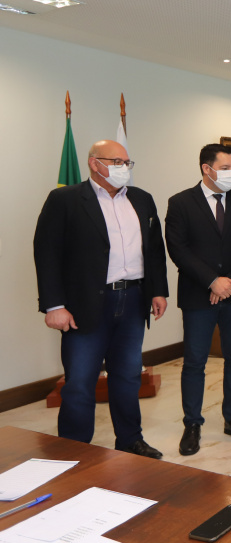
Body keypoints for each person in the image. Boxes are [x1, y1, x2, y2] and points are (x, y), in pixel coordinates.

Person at [34, 139, 168, 459]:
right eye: (117, 162)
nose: (124, 168)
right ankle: (75, 449)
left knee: (127, 376)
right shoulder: (65, 199)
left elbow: (154, 250)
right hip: (85, 305)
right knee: (80, 382)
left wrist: (157, 290)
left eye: (127, 163)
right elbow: (47, 253)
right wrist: (54, 305)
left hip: (134, 300)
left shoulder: (141, 199)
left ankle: (130, 440)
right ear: (95, 164)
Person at [165, 143, 231, 456]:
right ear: (206, 169)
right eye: (225, 168)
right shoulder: (180, 202)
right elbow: (178, 249)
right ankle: (192, 423)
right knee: (195, 361)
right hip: (198, 295)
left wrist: (229, 282)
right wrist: (212, 280)